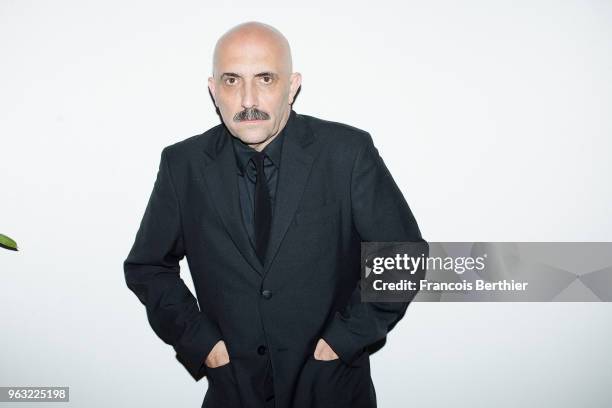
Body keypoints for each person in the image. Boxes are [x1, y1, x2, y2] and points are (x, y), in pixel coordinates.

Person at [123, 21, 425, 408]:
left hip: (331, 389)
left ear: (292, 85)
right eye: (232, 81)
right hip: (233, 392)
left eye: (265, 78)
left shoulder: (347, 153)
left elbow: (402, 255)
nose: (248, 99)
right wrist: (202, 343)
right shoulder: (183, 165)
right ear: (214, 90)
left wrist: (344, 339)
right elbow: (147, 266)